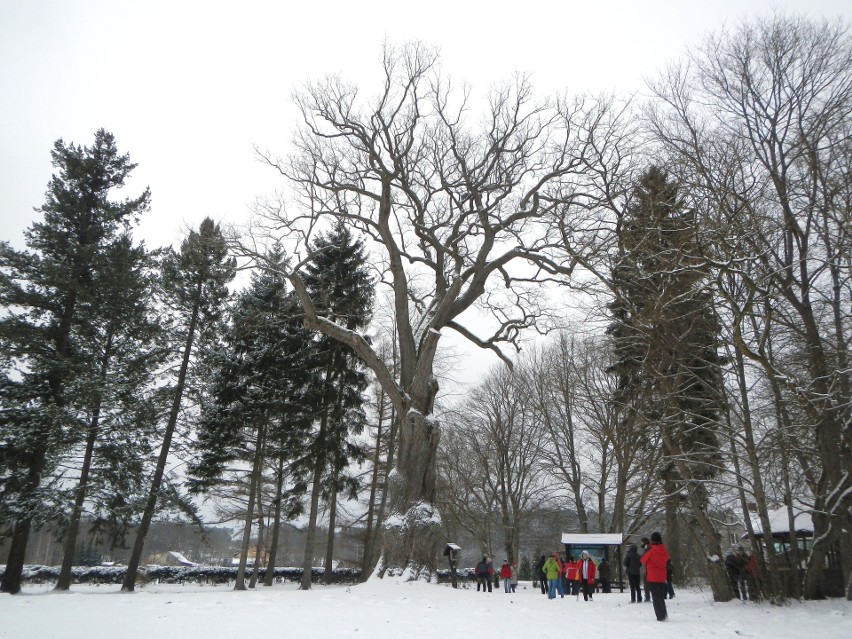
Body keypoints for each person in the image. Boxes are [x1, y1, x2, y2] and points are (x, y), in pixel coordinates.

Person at [640, 531, 670, 622]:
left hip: (652, 577)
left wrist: (646, 549)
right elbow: (667, 560)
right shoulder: (663, 550)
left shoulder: (650, 550)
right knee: (661, 596)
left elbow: (642, 560)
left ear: (652, 540)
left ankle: (660, 616)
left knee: (656, 597)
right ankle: (664, 614)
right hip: (662, 576)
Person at [640, 537, 651, 601]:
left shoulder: (647, 548)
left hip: (648, 568)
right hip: (648, 568)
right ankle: (647, 596)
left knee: (646, 583)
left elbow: (644, 557)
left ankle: (647, 596)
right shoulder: (648, 547)